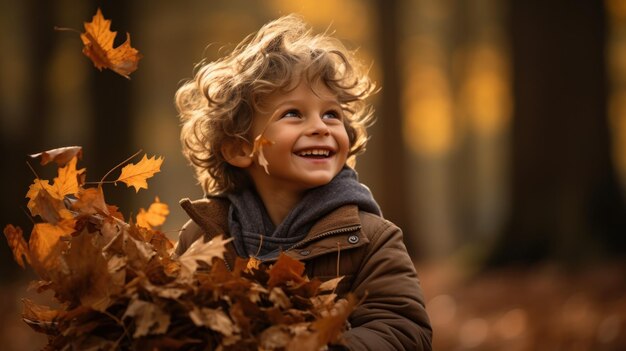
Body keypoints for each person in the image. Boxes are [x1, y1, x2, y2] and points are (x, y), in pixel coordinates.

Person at [173, 14, 432, 350]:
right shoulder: (204, 236)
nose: (321, 127)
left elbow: (403, 329)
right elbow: (173, 316)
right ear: (240, 148)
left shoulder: (370, 239)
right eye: (293, 113)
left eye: (331, 114)